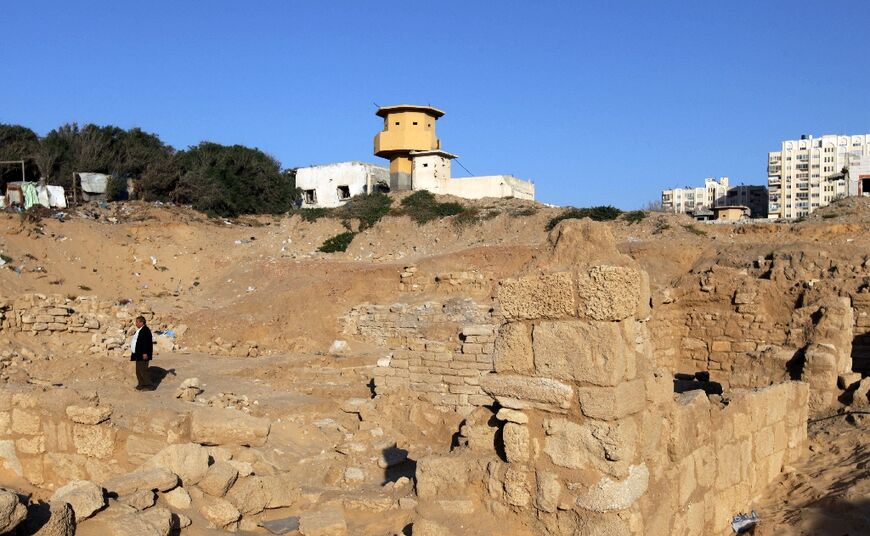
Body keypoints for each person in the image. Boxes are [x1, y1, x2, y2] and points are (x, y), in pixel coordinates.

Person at [130, 315, 154, 390]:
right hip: (138, 354)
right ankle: (141, 385)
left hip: (143, 354)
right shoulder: (140, 330)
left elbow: (146, 343)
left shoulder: (145, 330)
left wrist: (145, 353)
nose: (136, 323)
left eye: (137, 322)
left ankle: (149, 386)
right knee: (138, 371)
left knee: (143, 370)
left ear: (142, 322)